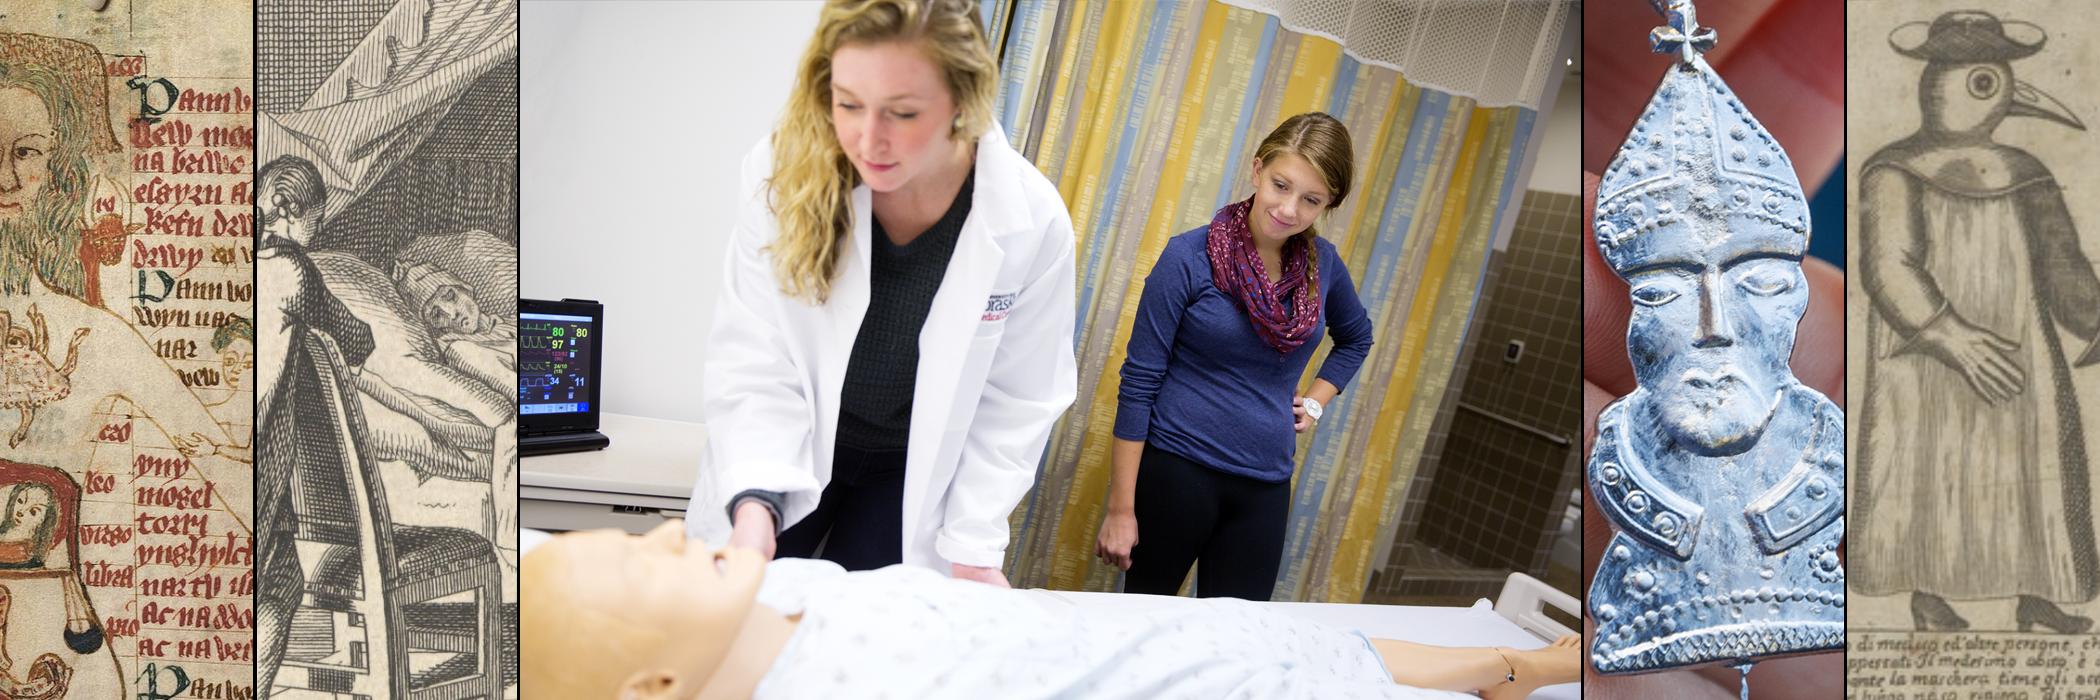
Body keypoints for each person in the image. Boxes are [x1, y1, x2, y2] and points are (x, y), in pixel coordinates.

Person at [688, 0, 1077, 587]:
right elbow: (758, 351)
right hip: (792, 442)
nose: (868, 140)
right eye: (848, 104)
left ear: (964, 101)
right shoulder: (780, 173)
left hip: (909, 468)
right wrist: (755, 504)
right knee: (733, 610)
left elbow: (1018, 399)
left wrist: (973, 544)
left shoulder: (1032, 220)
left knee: (870, 632)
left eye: (902, 112)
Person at [521, 521, 1581, 700]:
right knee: (1272, 673)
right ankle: (1521, 669)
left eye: (634, 531)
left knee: (1271, 631)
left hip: (1106, 633)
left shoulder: (778, 584)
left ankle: (1514, 668)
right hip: (1134, 684)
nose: (666, 533)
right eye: (641, 564)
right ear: (656, 684)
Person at [1582, 3, 1843, 698]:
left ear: (1794, 298)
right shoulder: (1622, 440)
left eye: (1759, 282)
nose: (1713, 325)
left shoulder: (1824, 434)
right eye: (1662, 293)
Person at [1855, 11, 2100, 634]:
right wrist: (1947, 333)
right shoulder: (1894, 171)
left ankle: (2039, 594)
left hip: (2019, 350)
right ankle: (1930, 597)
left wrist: (2093, 318)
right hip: (1929, 357)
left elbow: (2063, 263)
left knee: (2032, 464)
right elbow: (1888, 266)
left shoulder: (2026, 172)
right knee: (1931, 462)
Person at [1093, 112, 1373, 600]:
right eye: (1281, 185)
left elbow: (1356, 338)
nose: (1289, 209)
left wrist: (1315, 402)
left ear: (1328, 203)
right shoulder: (1188, 257)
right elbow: (1138, 385)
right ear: (1258, 170)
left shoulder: (1323, 266)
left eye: (1311, 200)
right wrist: (1120, 509)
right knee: (1145, 624)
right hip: (1176, 473)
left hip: (1264, 487)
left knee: (1240, 635)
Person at [253, 154, 377, 698]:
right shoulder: (291, 266)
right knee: (275, 585)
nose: (314, 234)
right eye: (316, 222)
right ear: (289, 210)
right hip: (259, 461)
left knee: (276, 581)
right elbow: (356, 339)